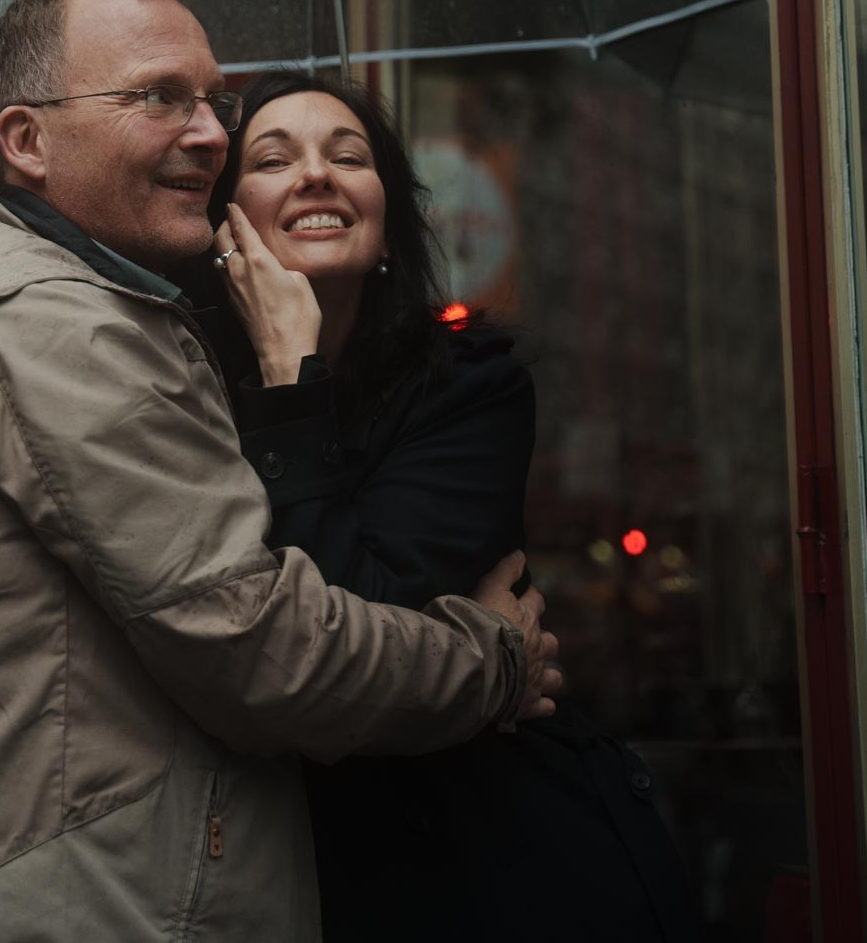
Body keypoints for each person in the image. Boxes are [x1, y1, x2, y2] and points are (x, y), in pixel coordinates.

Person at [0, 0, 559, 943]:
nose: (210, 132)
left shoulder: (95, 322)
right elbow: (259, 647)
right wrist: (493, 659)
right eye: (159, 97)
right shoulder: (61, 332)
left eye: (214, 101)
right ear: (25, 140)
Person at [208, 67, 697, 942]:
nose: (316, 174)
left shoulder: (469, 384)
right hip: (276, 866)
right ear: (227, 225)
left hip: (488, 864)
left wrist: (292, 378)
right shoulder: (185, 391)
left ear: (387, 217)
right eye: (273, 159)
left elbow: (356, 623)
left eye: (347, 156)